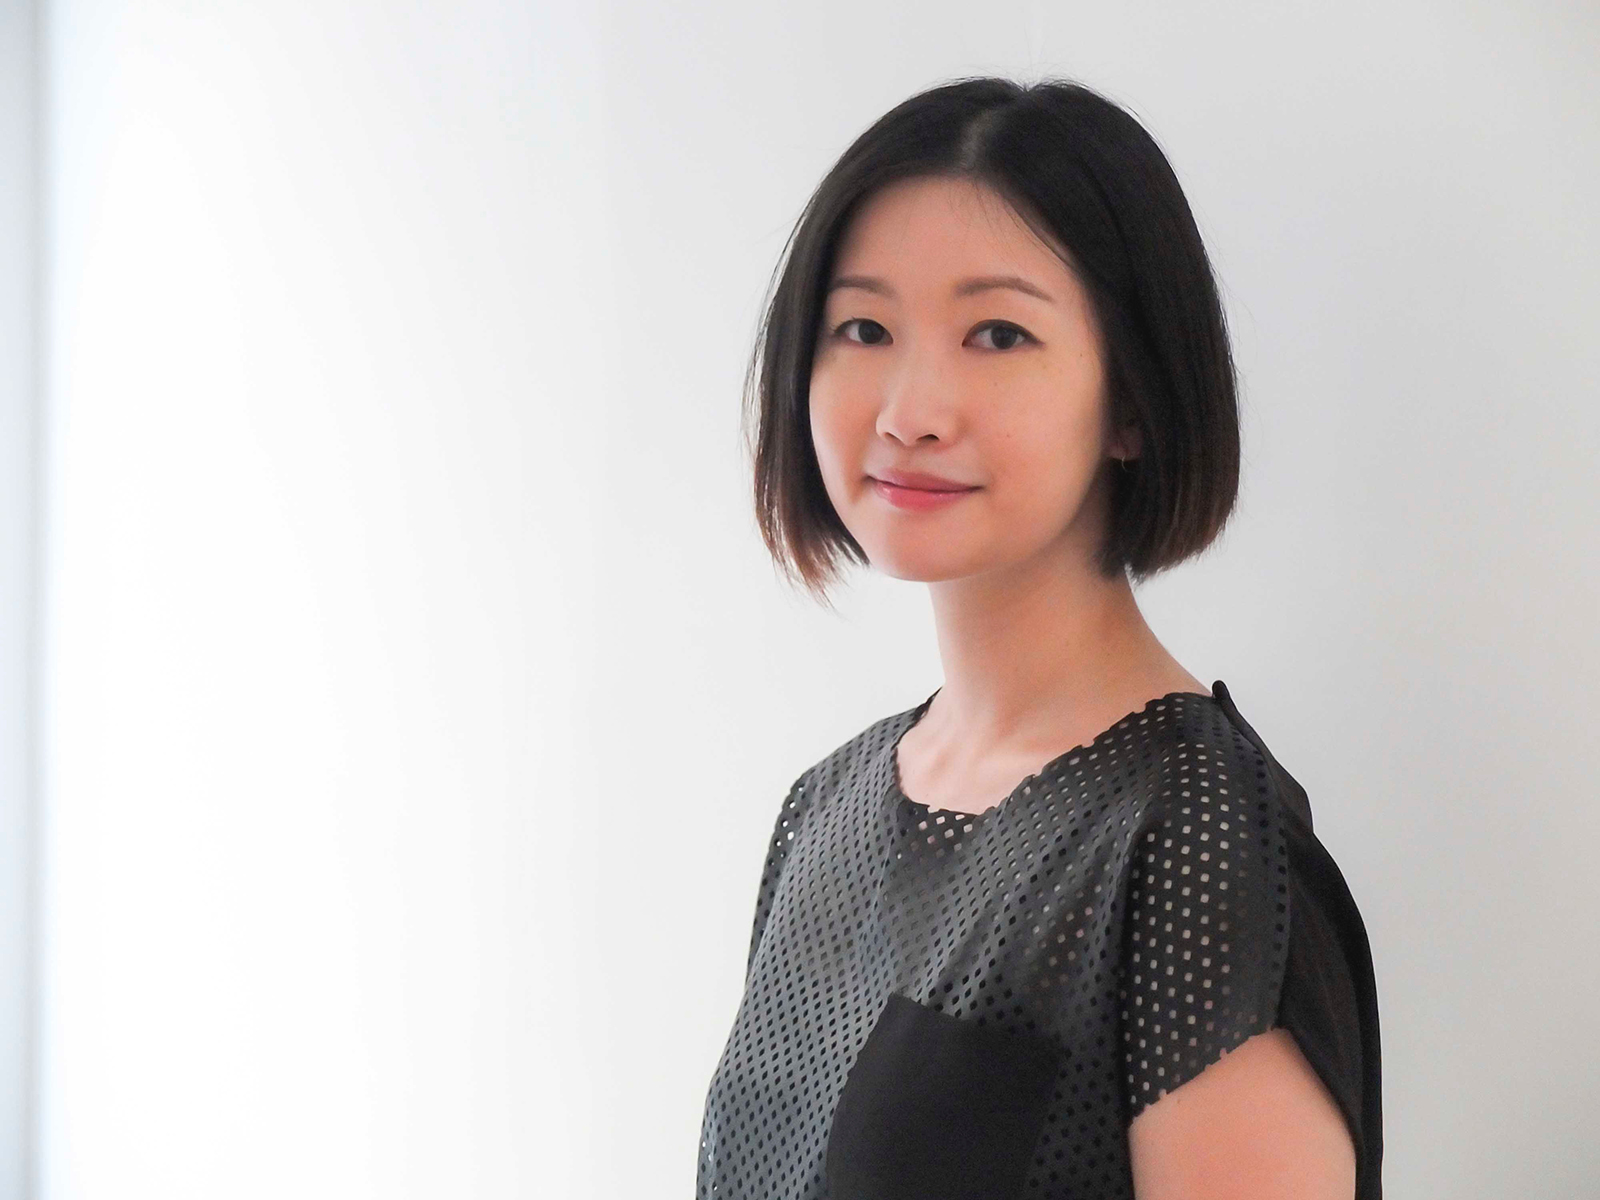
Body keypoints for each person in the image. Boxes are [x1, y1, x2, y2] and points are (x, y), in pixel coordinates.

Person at [697, 76, 1381, 1200]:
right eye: (864, 328)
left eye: (998, 334)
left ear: (1132, 401)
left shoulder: (1189, 837)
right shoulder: (823, 808)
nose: (909, 412)